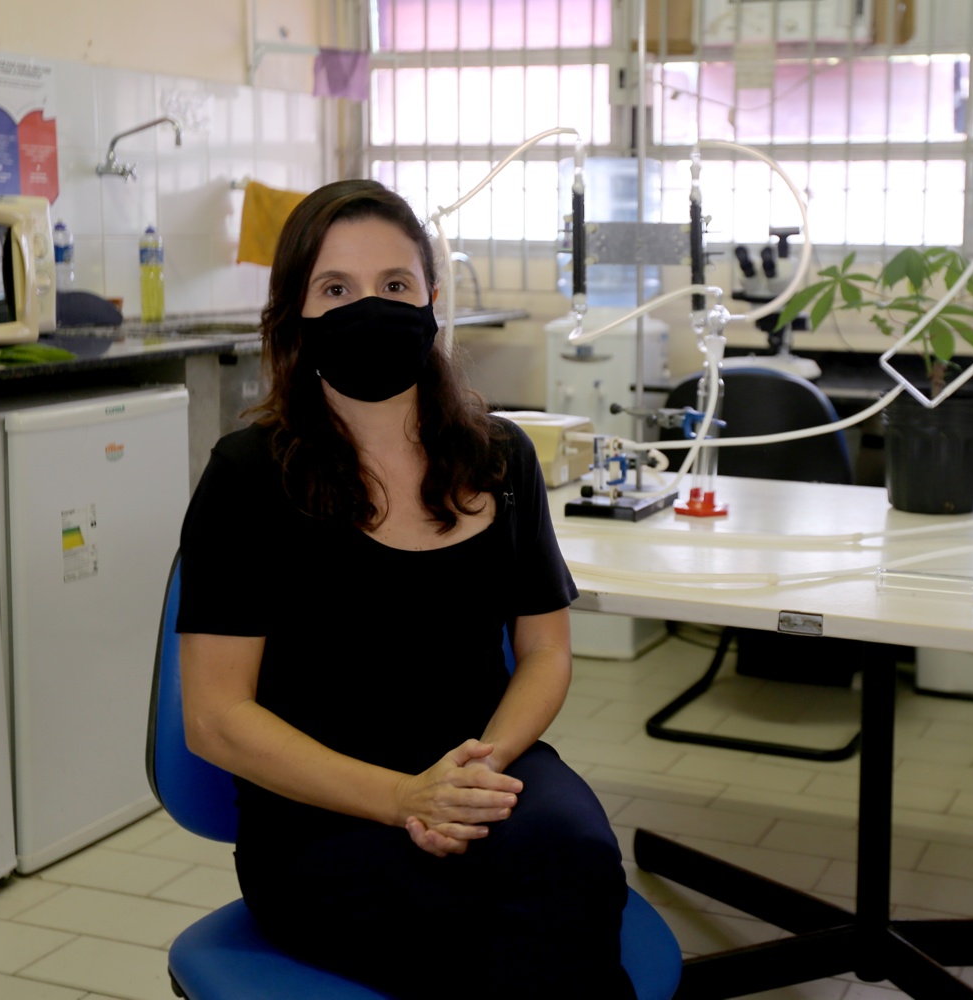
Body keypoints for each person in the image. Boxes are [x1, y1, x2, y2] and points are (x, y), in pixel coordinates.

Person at [175, 179, 636, 999]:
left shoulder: (501, 460)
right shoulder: (247, 476)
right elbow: (215, 720)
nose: (370, 307)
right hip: (320, 818)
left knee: (581, 867)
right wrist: (404, 798)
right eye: (336, 289)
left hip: (486, 768)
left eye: (394, 285)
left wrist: (472, 776)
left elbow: (545, 651)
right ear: (296, 315)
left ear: (429, 299)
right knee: (485, 939)